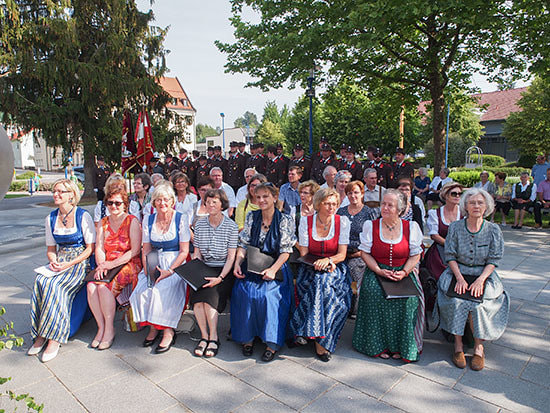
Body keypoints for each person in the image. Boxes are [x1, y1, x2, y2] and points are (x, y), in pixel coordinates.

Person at [435, 188, 509, 371]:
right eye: (472, 203)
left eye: (480, 203)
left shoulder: (493, 230)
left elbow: (494, 259)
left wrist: (481, 280)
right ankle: (458, 346)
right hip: (458, 271)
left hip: (484, 274)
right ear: (465, 206)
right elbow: (450, 255)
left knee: (479, 305)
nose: (476, 206)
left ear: (486, 206)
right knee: (456, 301)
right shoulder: (455, 227)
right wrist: (459, 278)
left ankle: (478, 347)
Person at [353, 189, 424, 362]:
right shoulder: (371, 226)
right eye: (383, 204)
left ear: (400, 209)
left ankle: (402, 345)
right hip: (377, 271)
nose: (384, 208)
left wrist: (404, 272)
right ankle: (378, 344)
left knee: (409, 300)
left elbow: (415, 255)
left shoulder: (411, 227)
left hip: (403, 271)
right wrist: (378, 270)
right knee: (374, 294)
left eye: (390, 205)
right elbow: (365, 253)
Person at [28, 179, 95, 362]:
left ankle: (54, 338)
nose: (56, 194)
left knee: (55, 286)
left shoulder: (82, 216)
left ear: (71, 195)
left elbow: (90, 249)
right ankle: (41, 333)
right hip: (60, 261)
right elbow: (51, 249)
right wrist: (54, 261)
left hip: (79, 263)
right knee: (41, 281)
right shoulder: (50, 218)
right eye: (54, 191)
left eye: (60, 192)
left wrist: (68, 264)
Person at [232, 183, 296, 362]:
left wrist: (273, 270)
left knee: (268, 296)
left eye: (265, 196)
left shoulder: (285, 219)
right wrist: (237, 263)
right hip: (253, 264)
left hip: (276, 266)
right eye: (258, 197)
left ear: (275, 197)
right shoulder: (252, 216)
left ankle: (271, 343)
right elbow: (243, 244)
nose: (261, 200)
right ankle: (247, 337)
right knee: (245, 293)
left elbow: (286, 251)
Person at [289, 188, 352, 362]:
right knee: (318, 282)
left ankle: (308, 333)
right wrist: (317, 262)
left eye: (334, 204)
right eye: (327, 203)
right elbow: (304, 252)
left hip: (335, 267)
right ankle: (319, 340)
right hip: (310, 266)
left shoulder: (342, 222)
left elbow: (342, 254)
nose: (332, 207)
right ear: (318, 204)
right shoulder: (306, 221)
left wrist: (329, 261)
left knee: (323, 284)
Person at [130, 183, 190, 354]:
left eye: (166, 199)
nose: (162, 203)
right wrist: (147, 270)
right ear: (154, 202)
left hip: (175, 264)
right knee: (143, 289)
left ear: (172, 201)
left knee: (161, 290)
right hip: (154, 261)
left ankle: (167, 331)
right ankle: (153, 327)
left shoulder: (180, 218)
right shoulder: (148, 219)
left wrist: (169, 271)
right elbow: (146, 249)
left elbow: (184, 251)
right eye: (158, 200)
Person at [87, 185, 142, 350]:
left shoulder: (132, 221)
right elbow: (99, 247)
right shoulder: (103, 222)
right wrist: (101, 265)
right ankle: (101, 327)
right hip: (107, 263)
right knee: (91, 286)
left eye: (118, 203)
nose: (114, 206)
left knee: (103, 288)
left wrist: (111, 264)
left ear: (125, 204)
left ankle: (109, 329)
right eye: (110, 203)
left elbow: (134, 250)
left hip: (128, 263)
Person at [191, 189, 239, 358]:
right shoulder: (199, 225)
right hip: (204, 267)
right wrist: (195, 272)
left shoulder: (231, 226)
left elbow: (231, 257)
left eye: (214, 202)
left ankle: (214, 338)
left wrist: (220, 278)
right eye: (208, 202)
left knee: (209, 300)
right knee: (198, 301)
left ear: (222, 205)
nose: (210, 205)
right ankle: (204, 336)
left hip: (223, 270)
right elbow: (197, 254)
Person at [337, 181, 379, 315]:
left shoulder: (369, 213)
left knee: (355, 268)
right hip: (341, 252)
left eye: (356, 192)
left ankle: (357, 309)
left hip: (361, 254)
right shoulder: (341, 212)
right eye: (350, 193)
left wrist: (361, 253)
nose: (353, 196)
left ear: (362, 194)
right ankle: (339, 308)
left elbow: (374, 237)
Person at [424, 182, 463, 293]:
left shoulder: (464, 213)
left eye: (460, 194)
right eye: (454, 194)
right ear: (446, 195)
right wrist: (450, 246)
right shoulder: (435, 213)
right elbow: (434, 235)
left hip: (461, 251)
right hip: (439, 252)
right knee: (437, 279)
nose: (457, 196)